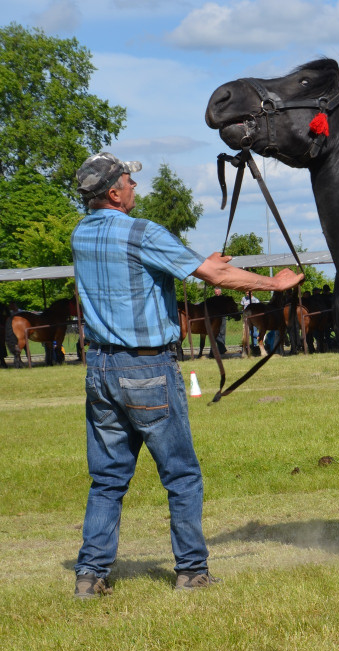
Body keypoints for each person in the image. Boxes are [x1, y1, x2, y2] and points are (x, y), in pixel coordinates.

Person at [70, 152, 303, 599]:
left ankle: (89, 575)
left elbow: (155, 271)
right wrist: (276, 284)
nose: (134, 187)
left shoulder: (81, 233)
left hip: (99, 367)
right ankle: (192, 571)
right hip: (147, 367)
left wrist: (198, 262)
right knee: (181, 475)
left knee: (108, 479)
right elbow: (216, 275)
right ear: (114, 193)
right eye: (128, 182)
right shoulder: (141, 231)